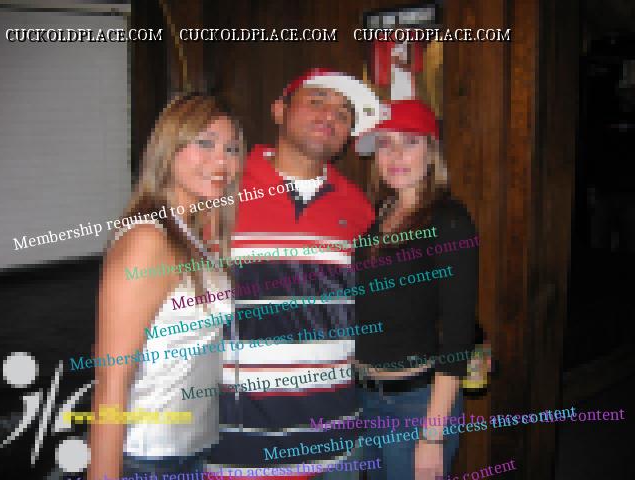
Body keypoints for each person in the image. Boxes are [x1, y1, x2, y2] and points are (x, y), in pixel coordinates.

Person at [204, 69, 380, 479]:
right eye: (316, 101)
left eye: (343, 112)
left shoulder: (358, 209)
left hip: (335, 443)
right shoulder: (220, 189)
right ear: (279, 111)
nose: (330, 115)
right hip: (237, 447)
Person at [88, 93, 244, 479]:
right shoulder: (148, 239)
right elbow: (111, 378)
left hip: (189, 449)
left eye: (231, 149)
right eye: (205, 143)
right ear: (168, 148)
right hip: (147, 457)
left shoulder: (188, 235)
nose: (222, 160)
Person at [353, 100, 479, 480]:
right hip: (363, 398)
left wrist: (433, 434)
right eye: (385, 143)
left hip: (416, 405)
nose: (395, 155)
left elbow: (458, 332)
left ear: (431, 152)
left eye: (410, 141)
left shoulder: (449, 220)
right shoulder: (374, 217)